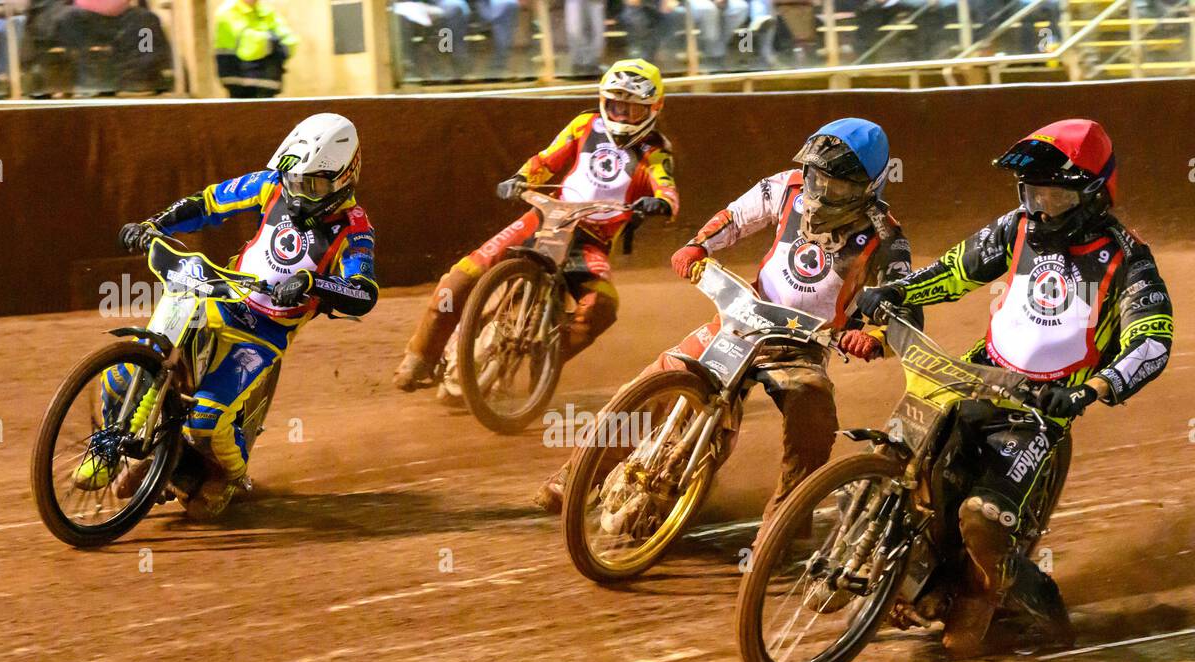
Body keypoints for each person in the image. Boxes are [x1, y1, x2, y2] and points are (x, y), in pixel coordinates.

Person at [853, 118, 1174, 646]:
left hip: (1041, 411)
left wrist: (1090, 391)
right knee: (891, 458)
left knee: (982, 520)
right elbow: (956, 270)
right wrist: (898, 292)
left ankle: (1045, 612)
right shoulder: (1017, 226)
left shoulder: (1127, 260)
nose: (1038, 205)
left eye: (1053, 194)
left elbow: (1152, 342)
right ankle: (908, 572)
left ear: (1092, 195)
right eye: (1031, 191)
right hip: (974, 374)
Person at [535, 118, 914, 522]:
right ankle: (575, 474)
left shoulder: (887, 239)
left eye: (834, 185)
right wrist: (698, 246)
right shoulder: (787, 186)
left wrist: (873, 336)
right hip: (744, 317)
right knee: (658, 376)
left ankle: (784, 525)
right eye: (815, 177)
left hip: (804, 346)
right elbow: (738, 216)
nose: (819, 191)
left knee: (814, 419)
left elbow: (902, 309)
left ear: (868, 187)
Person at [98, 114, 379, 519]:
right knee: (126, 370)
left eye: (311, 186)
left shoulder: (355, 230)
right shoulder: (274, 184)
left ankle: (228, 473)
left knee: (206, 421)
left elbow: (364, 292)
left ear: (344, 177)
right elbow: (210, 203)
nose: (297, 193)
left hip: (265, 331)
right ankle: (111, 446)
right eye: (294, 182)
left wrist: (311, 285)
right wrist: (153, 224)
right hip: (222, 292)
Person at [392, 58, 678, 392]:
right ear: (604, 101)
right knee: (462, 276)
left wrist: (659, 203)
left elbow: (668, 190)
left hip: (591, 240)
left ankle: (545, 359)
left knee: (602, 306)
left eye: (632, 110)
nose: (622, 116)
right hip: (547, 217)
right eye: (616, 107)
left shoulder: (656, 151)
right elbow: (546, 160)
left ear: (653, 109)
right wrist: (520, 178)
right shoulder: (585, 124)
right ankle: (421, 357)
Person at [213, 0, 297, 98]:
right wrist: (274, 42)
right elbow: (250, 45)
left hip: (267, 80)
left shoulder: (266, 11)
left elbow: (291, 41)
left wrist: (269, 41)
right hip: (239, 78)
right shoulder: (228, 11)